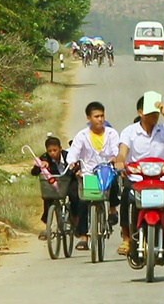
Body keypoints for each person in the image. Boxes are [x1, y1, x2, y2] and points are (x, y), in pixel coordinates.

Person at [115, 95, 164, 259]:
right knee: (126, 196)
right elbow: (122, 152)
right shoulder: (130, 132)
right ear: (140, 112)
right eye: (151, 113)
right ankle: (126, 238)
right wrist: (120, 162)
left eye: (157, 113)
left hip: (163, 181)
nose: (155, 116)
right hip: (138, 180)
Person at [67, 101, 121, 250]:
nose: (100, 119)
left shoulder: (112, 133)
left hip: (106, 169)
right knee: (84, 201)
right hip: (89, 172)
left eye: (102, 116)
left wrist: (115, 158)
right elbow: (73, 153)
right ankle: (84, 236)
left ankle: (112, 210)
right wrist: (73, 163)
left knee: (114, 180)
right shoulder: (82, 135)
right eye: (96, 116)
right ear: (89, 118)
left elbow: (117, 150)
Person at [30, 136, 86, 241]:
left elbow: (77, 166)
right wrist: (40, 166)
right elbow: (34, 172)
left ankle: (75, 218)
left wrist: (76, 170)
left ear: (60, 148)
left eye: (55, 150)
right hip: (54, 183)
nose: (52, 153)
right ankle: (47, 226)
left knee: (74, 195)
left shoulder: (68, 156)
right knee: (47, 198)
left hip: (69, 181)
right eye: (49, 151)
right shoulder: (45, 158)